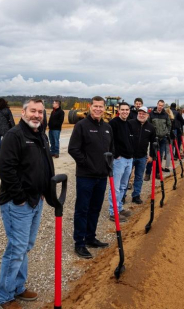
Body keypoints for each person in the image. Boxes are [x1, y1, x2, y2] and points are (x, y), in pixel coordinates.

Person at [0, 99, 55, 309]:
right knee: (17, 248)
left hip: (36, 200)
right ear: (23, 112)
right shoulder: (14, 135)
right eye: (33, 111)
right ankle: (4, 297)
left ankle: (18, 287)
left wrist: (47, 192)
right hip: (18, 204)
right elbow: (5, 170)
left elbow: (47, 165)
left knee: (25, 246)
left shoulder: (40, 135)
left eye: (40, 112)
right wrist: (19, 198)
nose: (37, 115)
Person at [68, 96, 113, 259]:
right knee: (82, 209)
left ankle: (90, 237)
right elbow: (73, 149)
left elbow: (111, 150)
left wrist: (108, 166)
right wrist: (86, 163)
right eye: (95, 106)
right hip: (85, 177)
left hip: (102, 177)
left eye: (101, 107)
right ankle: (79, 243)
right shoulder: (81, 126)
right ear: (90, 106)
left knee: (95, 208)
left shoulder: (107, 127)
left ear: (104, 108)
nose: (98, 109)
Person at [107, 102, 134, 221]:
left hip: (129, 159)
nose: (125, 112)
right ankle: (113, 212)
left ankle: (119, 207)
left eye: (127, 110)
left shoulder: (128, 124)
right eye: (122, 109)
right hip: (119, 160)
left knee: (123, 186)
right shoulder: (113, 123)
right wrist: (115, 154)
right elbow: (109, 140)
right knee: (115, 187)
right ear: (118, 110)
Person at [128, 106, 156, 204]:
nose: (141, 115)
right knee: (126, 177)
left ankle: (136, 195)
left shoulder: (151, 128)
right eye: (140, 113)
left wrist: (151, 155)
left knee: (139, 177)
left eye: (143, 113)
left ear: (147, 115)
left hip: (142, 156)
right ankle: (122, 196)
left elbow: (153, 143)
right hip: (129, 156)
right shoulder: (130, 123)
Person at [148, 100, 172, 179]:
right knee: (151, 155)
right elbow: (148, 124)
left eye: (162, 105)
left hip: (163, 138)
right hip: (154, 138)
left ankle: (157, 172)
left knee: (160, 155)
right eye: (159, 105)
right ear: (157, 105)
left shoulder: (165, 115)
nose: (160, 107)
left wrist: (167, 133)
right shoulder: (151, 114)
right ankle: (148, 173)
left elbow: (169, 124)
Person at [0, 98, 15, 166]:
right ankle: (5, 160)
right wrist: (14, 129)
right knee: (6, 145)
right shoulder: (7, 110)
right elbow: (11, 120)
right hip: (6, 130)